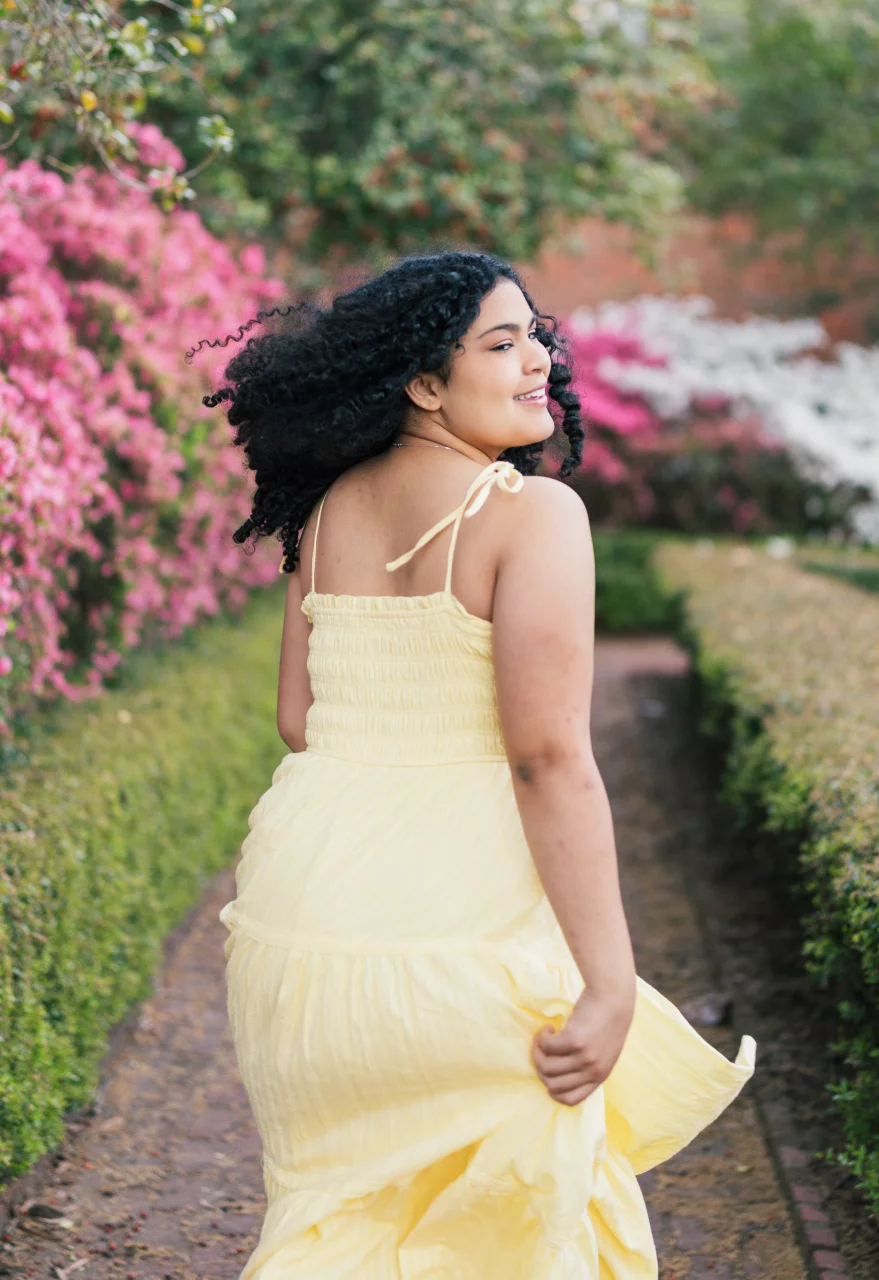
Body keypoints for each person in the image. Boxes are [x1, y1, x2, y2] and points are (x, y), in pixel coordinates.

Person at [196, 251, 754, 1279]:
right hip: (459, 933)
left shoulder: (324, 515)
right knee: (523, 1230)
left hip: (302, 920)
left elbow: (297, 717)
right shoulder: (531, 513)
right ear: (422, 382)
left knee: (340, 1223)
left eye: (534, 334)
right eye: (501, 343)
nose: (538, 357)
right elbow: (548, 759)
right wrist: (610, 980)